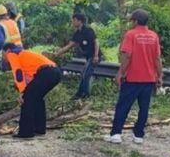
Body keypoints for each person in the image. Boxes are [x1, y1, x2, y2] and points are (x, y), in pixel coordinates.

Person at [105, 9, 163, 144]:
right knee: (144, 108)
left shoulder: (130, 35)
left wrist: (120, 73)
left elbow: (127, 55)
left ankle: (116, 133)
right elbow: (157, 58)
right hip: (149, 78)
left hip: (132, 78)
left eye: (131, 20)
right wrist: (160, 76)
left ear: (135, 21)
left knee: (123, 106)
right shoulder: (153, 36)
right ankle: (138, 135)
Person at [4, 44, 62, 139]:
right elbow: (30, 79)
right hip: (55, 72)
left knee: (28, 99)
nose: (4, 58)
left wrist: (22, 92)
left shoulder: (12, 54)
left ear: (7, 51)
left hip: (46, 72)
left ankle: (25, 132)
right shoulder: (24, 54)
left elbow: (18, 73)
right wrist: (26, 90)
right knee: (37, 98)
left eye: (3, 55)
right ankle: (39, 128)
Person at [53, 13, 102, 99]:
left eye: (74, 20)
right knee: (84, 74)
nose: (73, 22)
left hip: (94, 56)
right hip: (88, 57)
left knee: (85, 74)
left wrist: (96, 55)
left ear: (80, 21)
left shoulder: (88, 30)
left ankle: (84, 94)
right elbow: (69, 45)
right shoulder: (77, 34)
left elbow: (96, 42)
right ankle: (80, 93)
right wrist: (57, 53)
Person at [0, 4, 23, 71]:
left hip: (9, 53)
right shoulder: (13, 22)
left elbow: (0, 42)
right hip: (21, 50)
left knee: (5, 74)